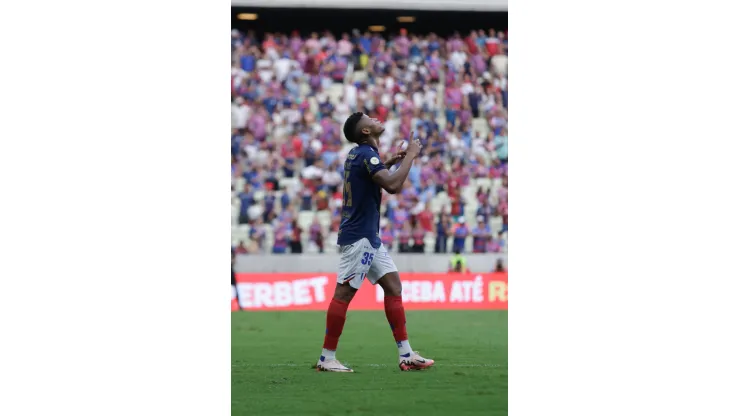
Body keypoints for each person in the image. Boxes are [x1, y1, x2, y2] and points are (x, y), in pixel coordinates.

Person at [316, 112, 434, 373]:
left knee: (393, 286)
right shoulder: (367, 154)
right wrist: (411, 156)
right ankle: (327, 358)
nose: (376, 119)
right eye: (369, 119)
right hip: (360, 237)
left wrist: (389, 161)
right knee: (343, 295)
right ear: (365, 132)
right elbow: (392, 186)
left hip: (367, 236)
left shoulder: (358, 154)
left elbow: (374, 177)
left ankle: (405, 354)